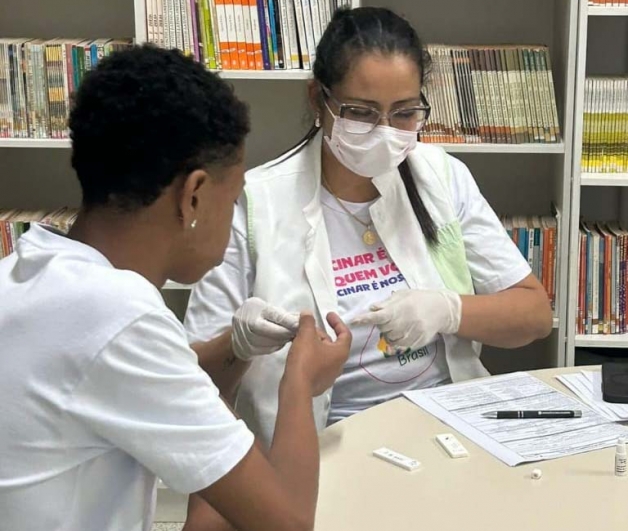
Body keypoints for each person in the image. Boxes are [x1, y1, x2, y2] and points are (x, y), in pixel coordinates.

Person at [0, 45, 350, 531]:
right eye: (233, 199)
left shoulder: (33, 268)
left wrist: (237, 348)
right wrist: (301, 383)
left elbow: (153, 385)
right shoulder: (120, 316)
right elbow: (287, 522)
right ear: (194, 197)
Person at [185, 6, 553, 448]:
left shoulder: (440, 177)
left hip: (448, 428)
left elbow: (534, 315)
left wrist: (449, 310)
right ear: (318, 99)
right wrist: (238, 343)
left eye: (404, 113)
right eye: (360, 112)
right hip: (324, 444)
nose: (384, 131)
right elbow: (193, 381)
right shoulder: (255, 203)